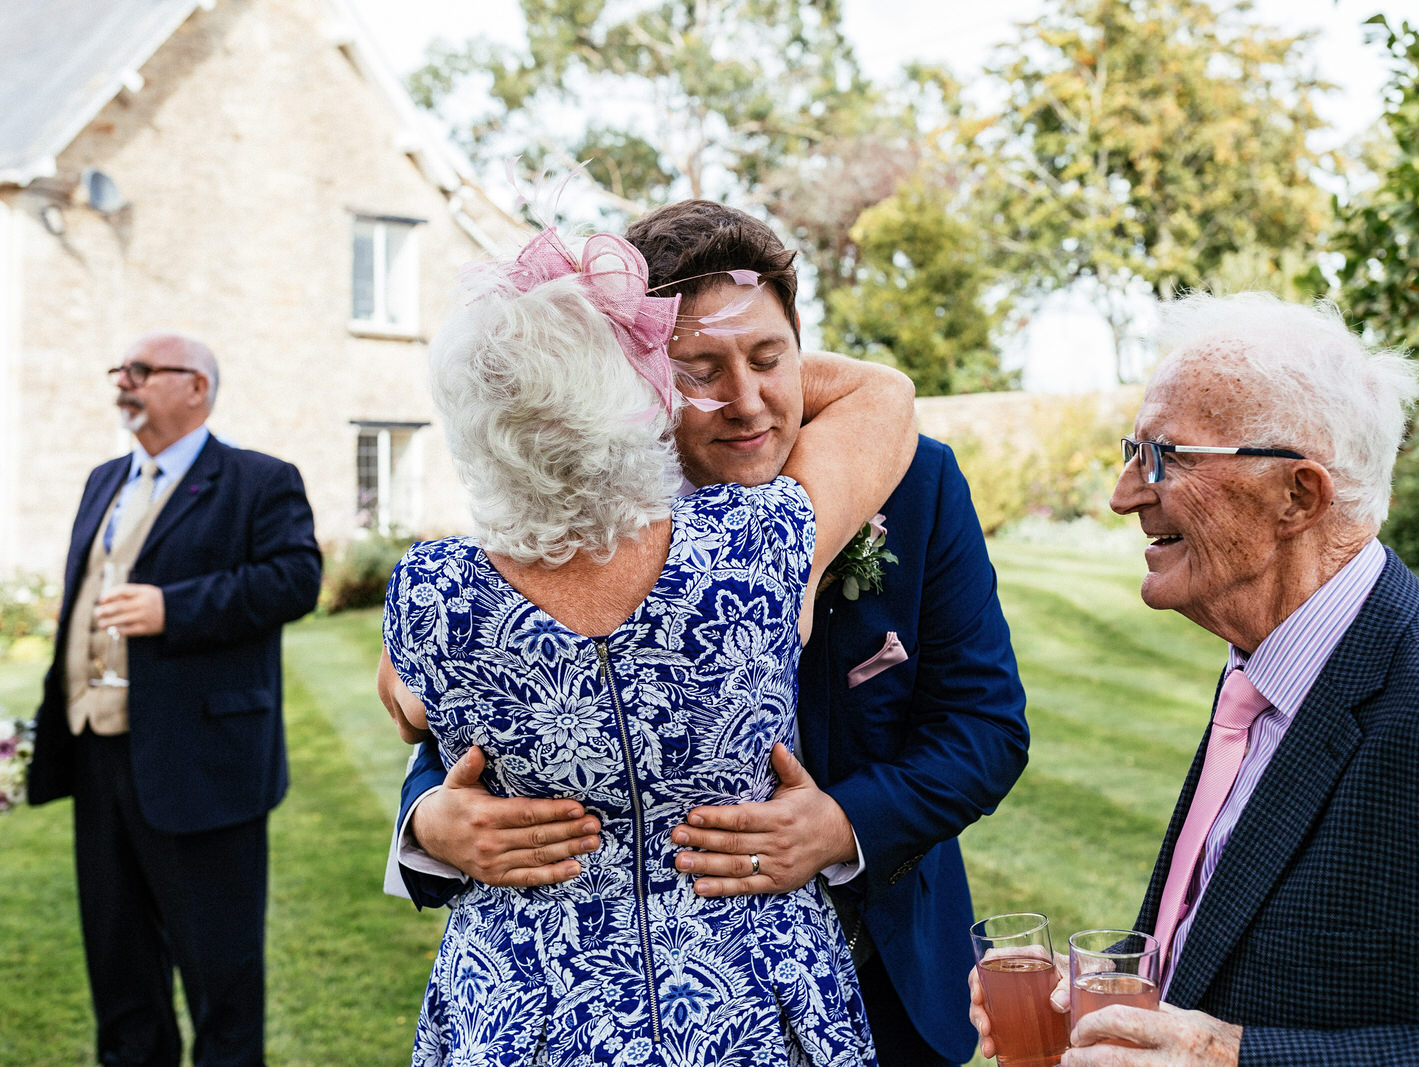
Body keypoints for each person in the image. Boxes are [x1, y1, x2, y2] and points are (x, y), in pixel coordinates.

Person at [389, 201, 1031, 1066]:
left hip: (886, 966)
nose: (748, 401)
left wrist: (840, 825)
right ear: (640, 381)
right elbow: (488, 727)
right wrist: (429, 819)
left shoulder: (917, 482)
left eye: (771, 357)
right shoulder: (590, 517)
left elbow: (984, 729)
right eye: (699, 369)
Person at [968, 292, 1419, 1065]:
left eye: (1163, 457)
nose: (1124, 493)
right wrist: (1115, 997)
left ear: (1298, 495)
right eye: (1130, 451)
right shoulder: (1263, 664)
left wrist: (1235, 1057)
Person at [29, 332, 321, 1067]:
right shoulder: (105, 479)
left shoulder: (259, 479)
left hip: (205, 766)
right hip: (99, 754)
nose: (122, 383)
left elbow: (295, 579)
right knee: (121, 976)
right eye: (118, 372)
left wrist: (174, 607)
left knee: (221, 980)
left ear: (196, 386)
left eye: (140, 371)